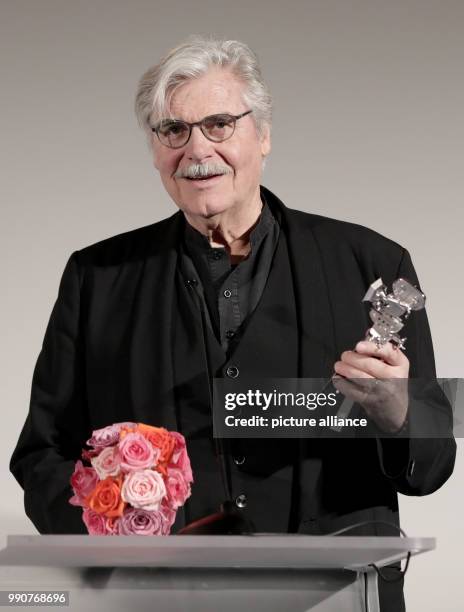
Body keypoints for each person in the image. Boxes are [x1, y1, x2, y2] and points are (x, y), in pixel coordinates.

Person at [10, 36, 455, 611]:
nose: (196, 149)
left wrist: (400, 416)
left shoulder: (373, 266)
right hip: (157, 600)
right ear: (154, 149)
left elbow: (432, 465)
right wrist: (110, 531)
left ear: (263, 135)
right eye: (173, 130)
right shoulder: (97, 277)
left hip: (336, 596)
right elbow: (42, 455)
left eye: (219, 124)